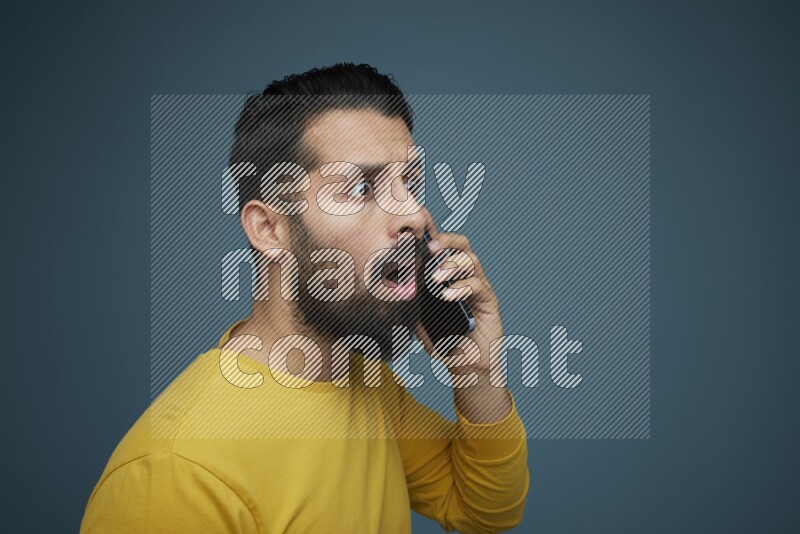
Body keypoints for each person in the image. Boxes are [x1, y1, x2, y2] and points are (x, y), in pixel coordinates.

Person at [81, 63, 529, 533]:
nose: (415, 215)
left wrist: (477, 373)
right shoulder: (174, 474)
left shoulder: (363, 384)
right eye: (359, 187)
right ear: (270, 228)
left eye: (411, 184)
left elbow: (483, 509)